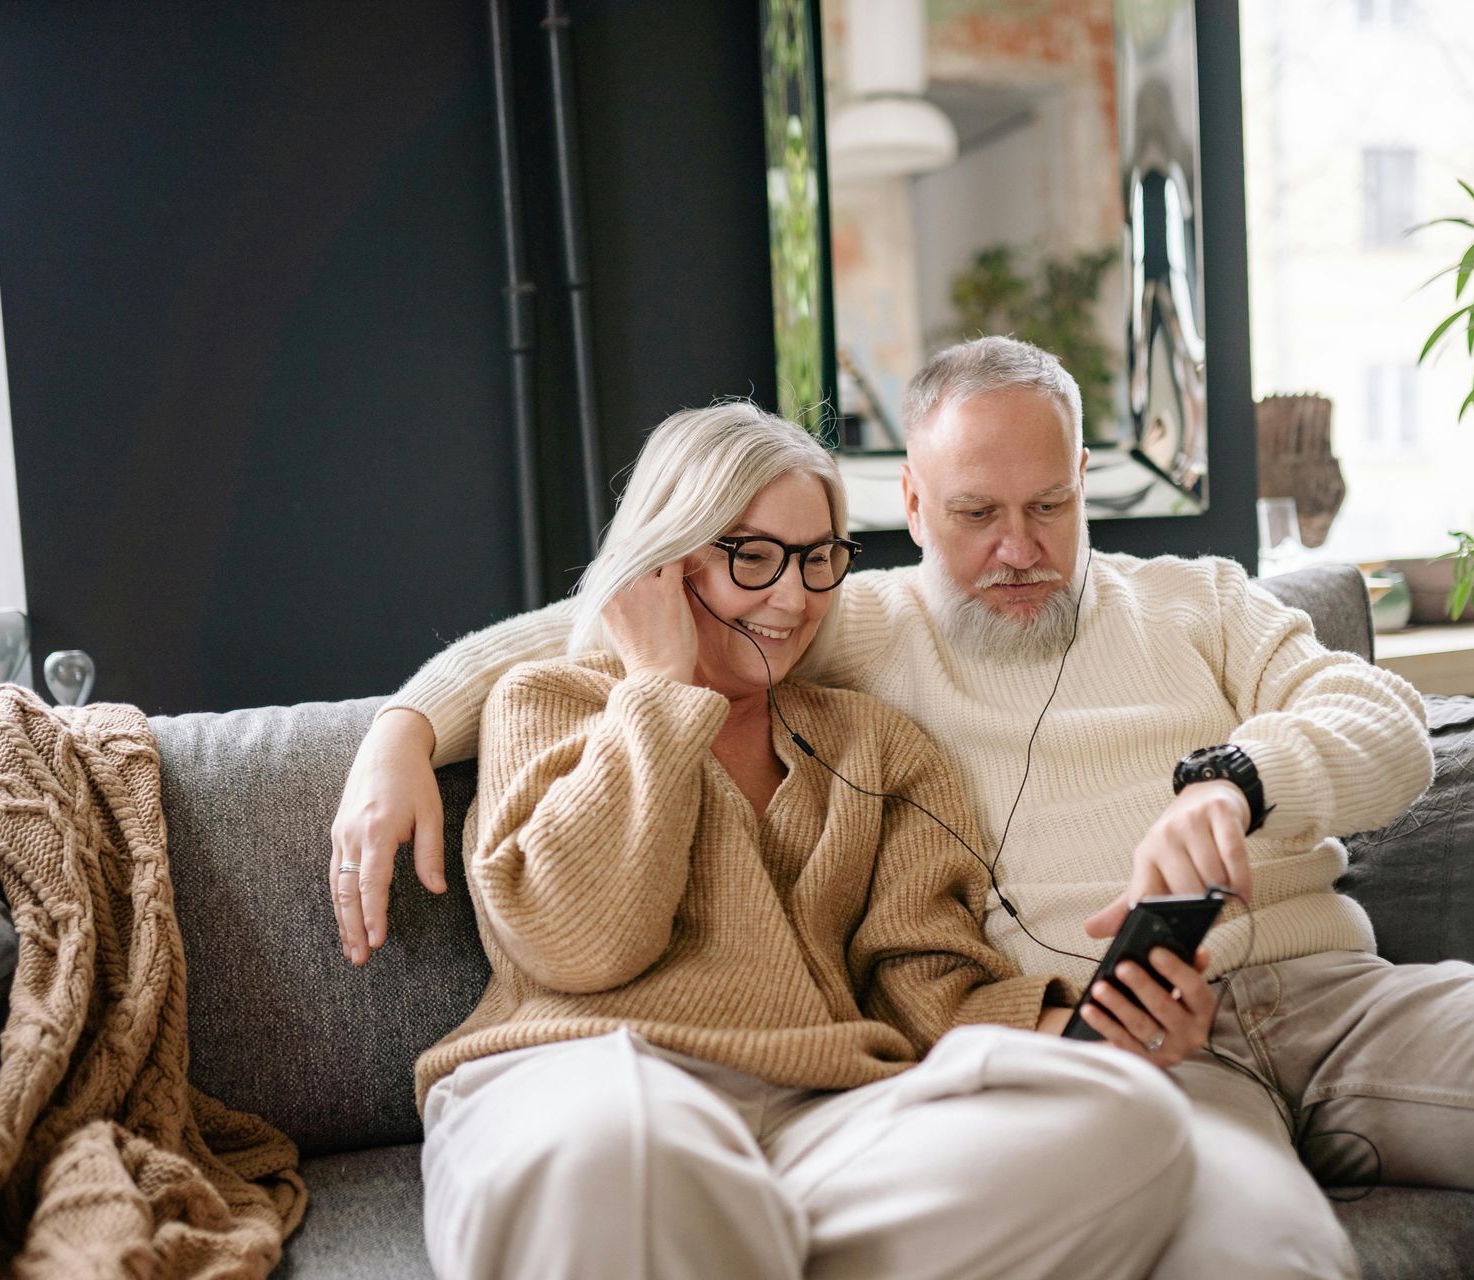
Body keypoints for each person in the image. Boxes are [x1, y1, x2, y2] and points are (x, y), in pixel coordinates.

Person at [340, 339, 1474, 1279]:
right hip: (1139, 1049)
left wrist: (1242, 789)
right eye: (975, 515)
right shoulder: (841, 628)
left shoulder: (1194, 602)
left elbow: (1384, 728)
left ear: (1086, 497)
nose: (1015, 550)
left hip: (1335, 993)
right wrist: (405, 722)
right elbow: (592, 622)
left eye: (1048, 507)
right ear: (910, 516)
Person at [405, 403, 1195, 1280]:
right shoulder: (551, 703)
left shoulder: (873, 745)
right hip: (584, 1085)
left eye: (819, 559)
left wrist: (1087, 1030)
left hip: (818, 1118)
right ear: (663, 566)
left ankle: (731, 1248)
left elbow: (924, 984)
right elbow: (578, 942)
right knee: (623, 1153)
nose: (794, 598)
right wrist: (659, 692)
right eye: (753, 557)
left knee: (1125, 1119)